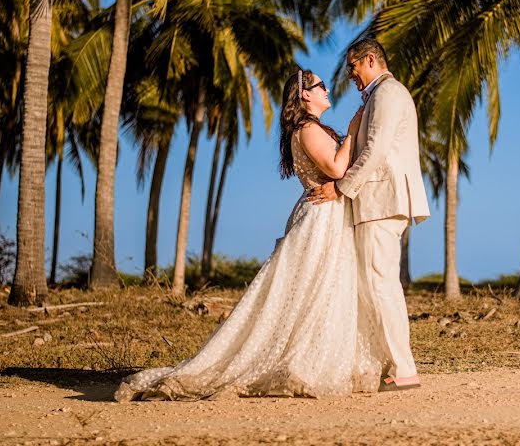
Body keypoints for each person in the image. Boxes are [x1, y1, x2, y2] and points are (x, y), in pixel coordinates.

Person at [114, 69, 382, 401]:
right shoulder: (307, 129)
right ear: (305, 95)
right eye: (320, 85)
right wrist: (354, 131)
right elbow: (338, 169)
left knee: (323, 291)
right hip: (320, 218)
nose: (327, 89)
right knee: (311, 290)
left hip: (327, 215)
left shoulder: (312, 128)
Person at [309, 37, 431, 392]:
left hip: (382, 200)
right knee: (374, 283)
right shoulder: (378, 96)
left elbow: (376, 151)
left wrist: (341, 187)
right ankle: (391, 365)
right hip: (376, 202)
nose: (350, 75)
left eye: (353, 66)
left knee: (380, 283)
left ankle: (404, 368)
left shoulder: (388, 94)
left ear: (372, 60)